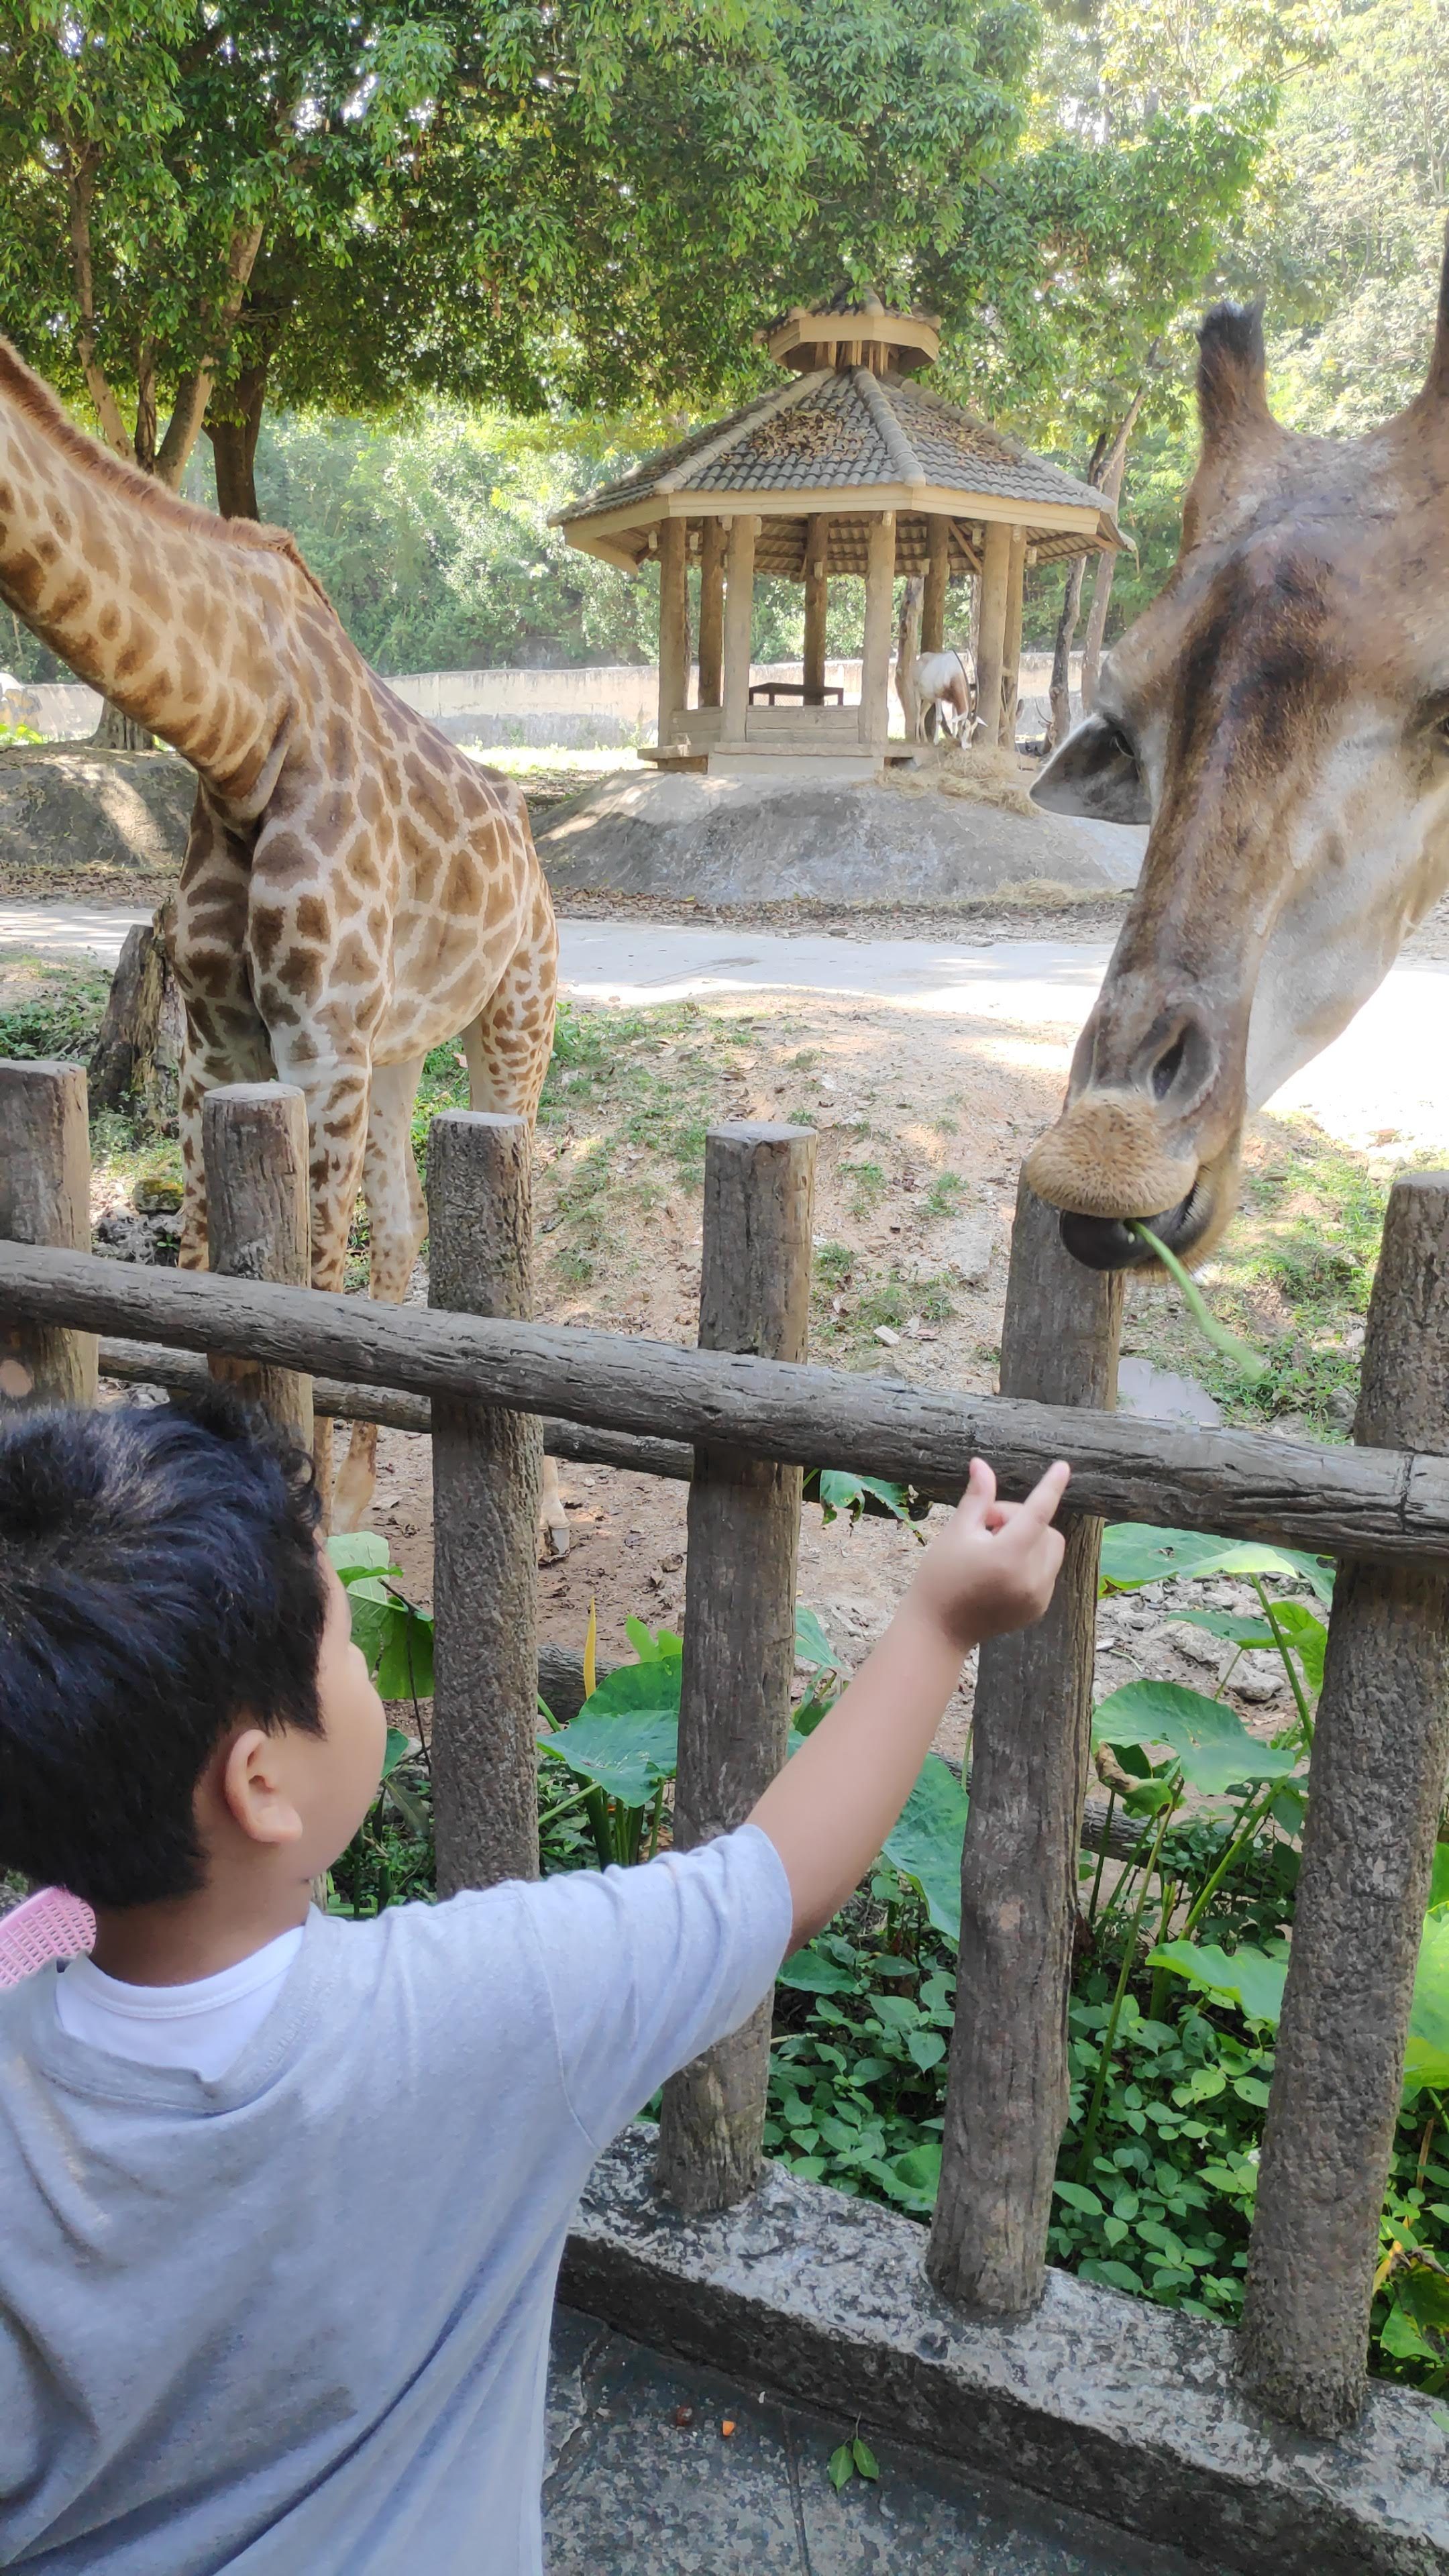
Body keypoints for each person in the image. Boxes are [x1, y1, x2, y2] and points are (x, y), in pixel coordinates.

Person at [0, 1392, 1070, 2574]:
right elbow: (772, 1883)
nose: (358, 1662)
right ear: (260, 1784)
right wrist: (939, 1620)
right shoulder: (490, 2011)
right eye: (344, 1641)